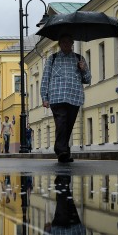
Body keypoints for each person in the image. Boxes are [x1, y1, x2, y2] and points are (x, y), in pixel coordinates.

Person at [40, 34, 91, 163]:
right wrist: (44, 97)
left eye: (68, 42)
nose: (66, 45)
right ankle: (61, 150)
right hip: (57, 97)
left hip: (74, 97)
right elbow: (45, 78)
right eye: (63, 42)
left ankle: (64, 152)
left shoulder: (79, 59)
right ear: (60, 44)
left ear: (72, 43)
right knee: (61, 122)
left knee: (68, 126)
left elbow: (88, 79)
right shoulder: (53, 59)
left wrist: (83, 69)